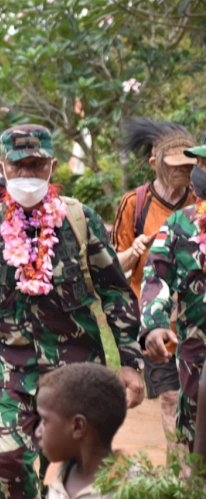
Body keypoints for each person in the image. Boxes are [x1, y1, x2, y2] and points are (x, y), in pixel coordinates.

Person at [0, 124, 144, 499]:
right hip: (9, 367)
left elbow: (114, 292)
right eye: (19, 166)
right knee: (7, 459)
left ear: (51, 167)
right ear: (3, 168)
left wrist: (131, 362)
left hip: (76, 369)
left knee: (84, 466)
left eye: (36, 165)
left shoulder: (80, 220)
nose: (28, 175)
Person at [111, 117, 196, 457]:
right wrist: (133, 253)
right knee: (172, 398)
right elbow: (112, 267)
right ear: (154, 163)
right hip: (154, 327)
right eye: (175, 166)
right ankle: (180, 472)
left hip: (195, 323)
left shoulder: (199, 202)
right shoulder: (135, 204)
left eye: (190, 165)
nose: (183, 172)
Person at [140, 140, 206, 453]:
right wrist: (154, 324)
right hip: (196, 353)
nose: (200, 172)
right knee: (195, 439)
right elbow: (156, 276)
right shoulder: (180, 224)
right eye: (201, 166)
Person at [37, 363, 127, 499]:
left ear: (78, 427)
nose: (37, 432)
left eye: (44, 421)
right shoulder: (56, 474)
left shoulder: (131, 487)